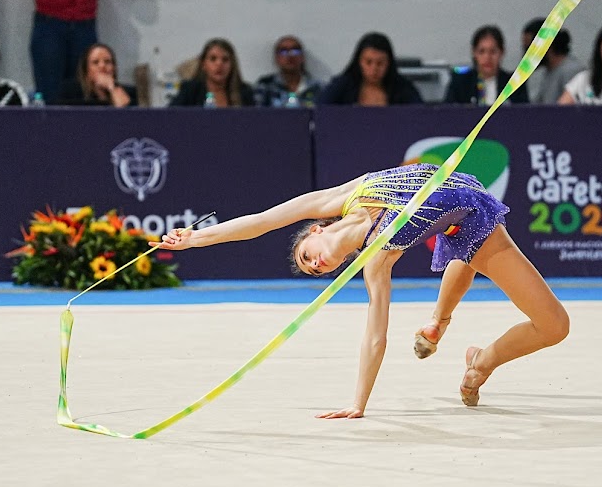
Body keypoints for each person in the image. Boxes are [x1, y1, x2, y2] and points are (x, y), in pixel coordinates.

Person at [155, 163, 569, 418]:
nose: (316, 264)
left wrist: (193, 239)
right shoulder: (377, 260)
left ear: (315, 231)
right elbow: (376, 337)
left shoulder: (343, 196)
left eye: (306, 256)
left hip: (470, 196)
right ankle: (482, 362)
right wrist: (359, 403)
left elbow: (262, 221)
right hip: (475, 227)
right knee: (555, 325)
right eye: (316, 270)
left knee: (470, 266)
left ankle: (440, 323)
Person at [317, 33, 422, 105]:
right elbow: (320, 110)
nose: (374, 69)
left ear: (389, 63)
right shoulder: (342, 85)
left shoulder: (403, 88)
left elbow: (420, 115)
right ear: (359, 62)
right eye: (368, 62)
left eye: (380, 63)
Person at [443, 25, 529, 105]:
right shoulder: (460, 83)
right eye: (482, 52)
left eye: (493, 51)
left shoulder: (515, 84)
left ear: (502, 53)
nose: (487, 57)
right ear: (474, 53)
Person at [170, 38, 255, 107]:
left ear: (232, 65)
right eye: (213, 59)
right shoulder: (190, 90)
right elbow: (170, 117)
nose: (219, 64)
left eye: (225, 60)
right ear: (203, 65)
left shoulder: (244, 92)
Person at [255, 35, 324, 107]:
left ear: (302, 57)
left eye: (295, 51)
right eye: (283, 51)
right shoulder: (265, 86)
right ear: (276, 58)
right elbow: (257, 115)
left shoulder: (318, 88)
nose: (290, 56)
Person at [57, 43, 136, 106]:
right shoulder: (70, 92)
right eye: (95, 62)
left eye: (107, 62)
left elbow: (127, 116)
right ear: (86, 70)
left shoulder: (129, 93)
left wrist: (112, 87)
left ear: (114, 68)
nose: (102, 66)